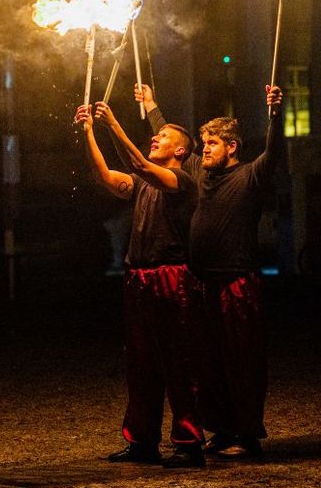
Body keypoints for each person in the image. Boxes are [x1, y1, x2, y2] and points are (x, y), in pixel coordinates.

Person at [135, 82, 284, 459]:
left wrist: (275, 114)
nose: (205, 150)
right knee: (206, 364)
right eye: (203, 144)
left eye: (213, 144)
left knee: (240, 361)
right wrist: (151, 106)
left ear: (232, 147)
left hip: (237, 282)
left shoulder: (250, 176)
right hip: (201, 283)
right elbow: (173, 141)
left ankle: (247, 434)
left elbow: (275, 151)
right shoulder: (199, 173)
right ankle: (222, 428)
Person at [74, 100, 205, 468]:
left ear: (180, 151)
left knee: (178, 362)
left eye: (163, 135)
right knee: (141, 363)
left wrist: (113, 123)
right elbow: (105, 175)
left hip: (171, 276)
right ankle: (142, 441)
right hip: (138, 278)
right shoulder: (143, 184)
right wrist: (89, 133)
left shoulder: (182, 182)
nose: (155, 137)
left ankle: (189, 443)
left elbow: (139, 164)